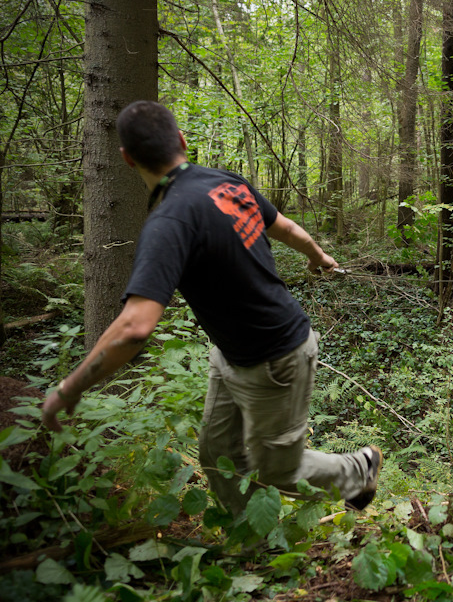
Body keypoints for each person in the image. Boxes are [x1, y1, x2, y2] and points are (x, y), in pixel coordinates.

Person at [40, 101, 381, 516]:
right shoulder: (226, 183)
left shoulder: (169, 222)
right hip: (231, 354)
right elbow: (288, 228)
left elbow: (135, 327)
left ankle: (357, 470)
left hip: (277, 358)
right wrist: (317, 256)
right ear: (181, 141)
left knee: (275, 471)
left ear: (127, 159)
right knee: (219, 457)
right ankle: (253, 541)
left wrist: (68, 389)